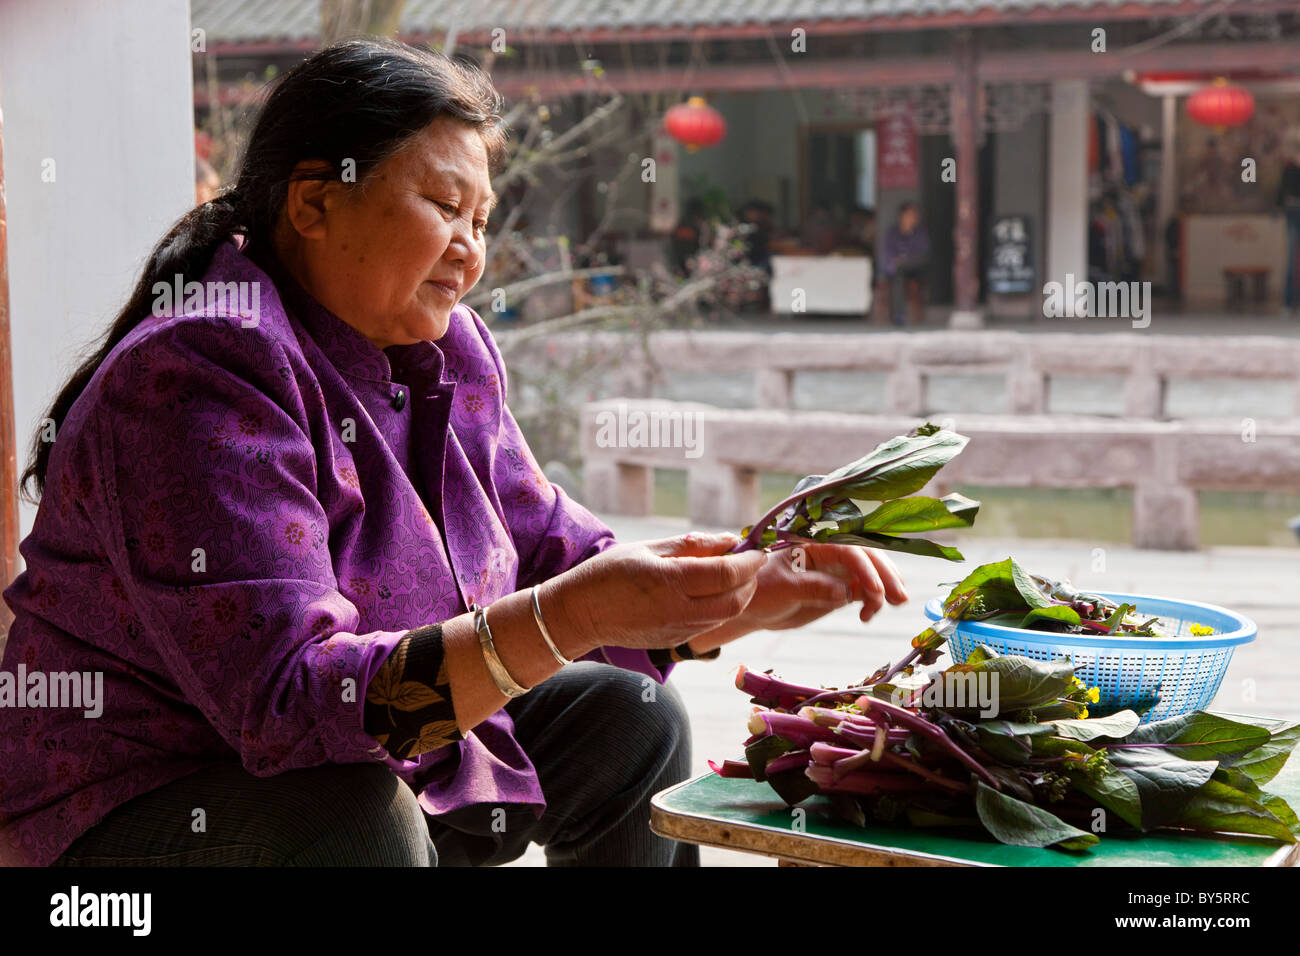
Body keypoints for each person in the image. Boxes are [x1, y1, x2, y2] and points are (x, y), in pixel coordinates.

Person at [0, 38, 908, 868]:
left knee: (630, 719)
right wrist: (575, 615)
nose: (471, 253)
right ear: (315, 200)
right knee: (356, 815)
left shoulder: (450, 350)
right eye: (444, 206)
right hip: (139, 807)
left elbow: (565, 560)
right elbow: (286, 707)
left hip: (361, 759)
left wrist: (748, 585)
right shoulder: (199, 371)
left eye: (483, 218)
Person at [879, 202, 930, 326]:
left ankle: (898, 315)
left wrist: (904, 258)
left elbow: (923, 252)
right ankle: (898, 315)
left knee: (899, 268)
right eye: (910, 215)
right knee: (898, 275)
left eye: (914, 215)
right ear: (902, 216)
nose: (914, 218)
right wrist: (896, 261)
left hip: (916, 267)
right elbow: (887, 252)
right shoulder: (892, 232)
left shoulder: (920, 233)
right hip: (897, 268)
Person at [1277, 138, 1300, 315]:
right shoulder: (1290, 169)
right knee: (1291, 260)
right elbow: (1282, 193)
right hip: (1293, 215)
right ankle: (1287, 301)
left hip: (1292, 213)